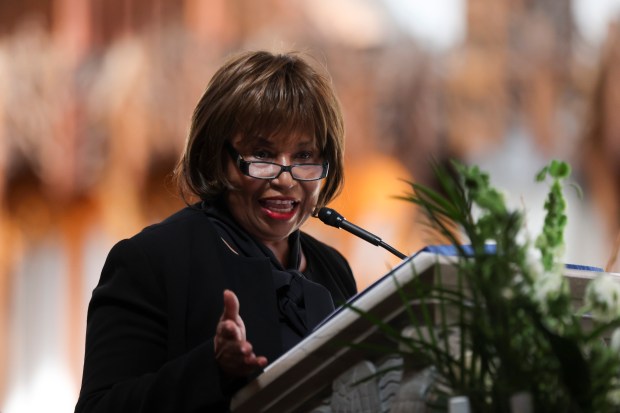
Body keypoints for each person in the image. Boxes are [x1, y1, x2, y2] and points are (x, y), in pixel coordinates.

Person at [74, 50, 357, 412]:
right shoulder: (151, 261)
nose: (286, 179)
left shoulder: (333, 269)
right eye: (263, 154)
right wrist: (212, 370)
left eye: (304, 157)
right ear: (216, 156)